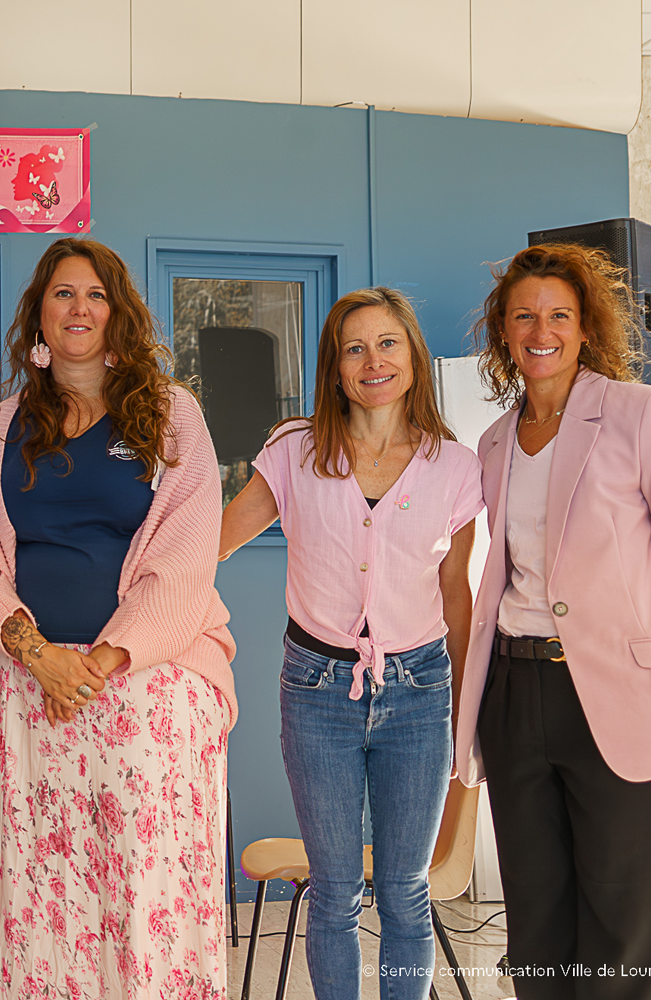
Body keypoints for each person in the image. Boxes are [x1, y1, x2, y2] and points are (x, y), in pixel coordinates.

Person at [0, 237, 236, 999]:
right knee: (33, 893)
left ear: (118, 313)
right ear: (39, 314)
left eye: (95, 294)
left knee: (137, 891)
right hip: (21, 691)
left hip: (145, 689)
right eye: (62, 293)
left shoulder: (172, 418)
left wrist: (98, 665)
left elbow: (184, 555)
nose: (79, 308)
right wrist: (39, 657)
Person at [455, 244, 651, 999]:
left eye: (558, 315)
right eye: (523, 315)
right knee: (535, 924)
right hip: (515, 689)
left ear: (584, 327)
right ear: (503, 332)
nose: (541, 329)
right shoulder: (494, 443)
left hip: (620, 695)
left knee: (625, 926)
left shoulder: (640, 414)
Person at [219, 287, 482, 1000]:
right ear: (334, 367)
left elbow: (456, 593)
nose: (373, 361)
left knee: (404, 890)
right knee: (334, 890)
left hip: (421, 690)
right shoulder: (293, 452)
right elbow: (208, 544)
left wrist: (471, 707)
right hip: (316, 692)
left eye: (387, 343)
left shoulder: (455, 468)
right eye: (354, 348)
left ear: (413, 355)